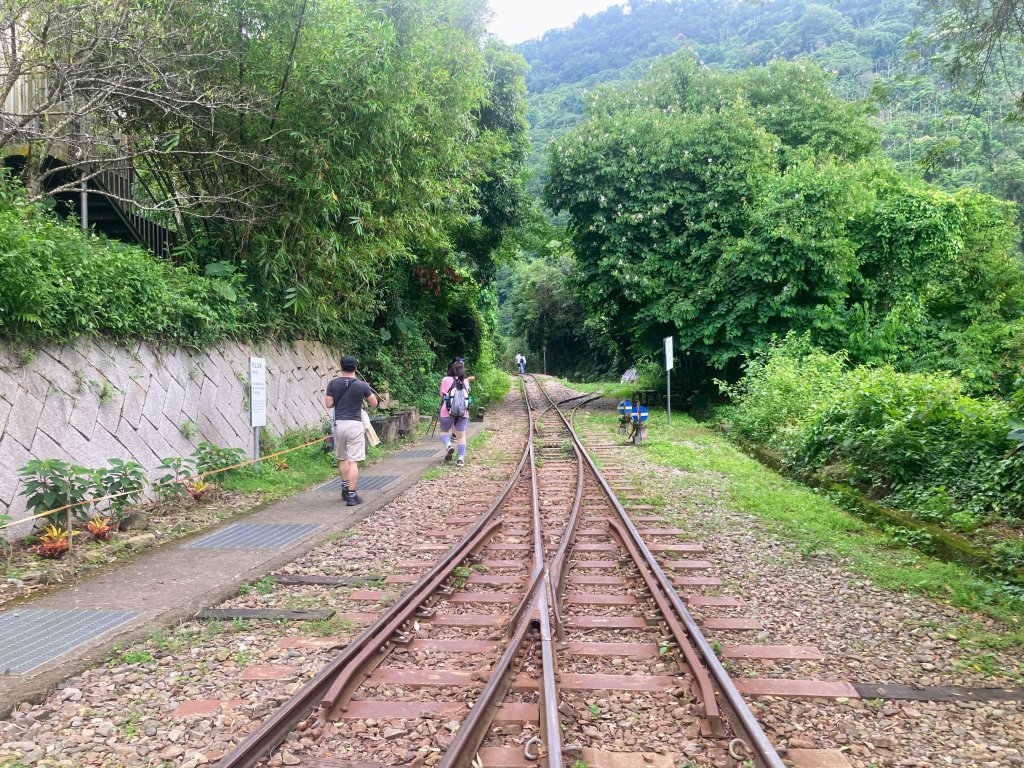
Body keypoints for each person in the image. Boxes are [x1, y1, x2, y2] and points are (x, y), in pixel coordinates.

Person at [325, 355, 378, 506]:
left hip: (339, 424)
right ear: (355, 368)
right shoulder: (362, 385)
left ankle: (344, 488)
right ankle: (352, 495)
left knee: (342, 458)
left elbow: (329, 404)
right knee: (352, 461)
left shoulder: (333, 384)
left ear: (341, 368)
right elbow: (374, 403)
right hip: (355, 425)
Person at [439, 358, 472, 467]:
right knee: (461, 437)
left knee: (443, 431)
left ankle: (449, 446)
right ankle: (460, 460)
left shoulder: (445, 379)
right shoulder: (465, 381)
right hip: (463, 413)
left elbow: (442, 395)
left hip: (446, 412)